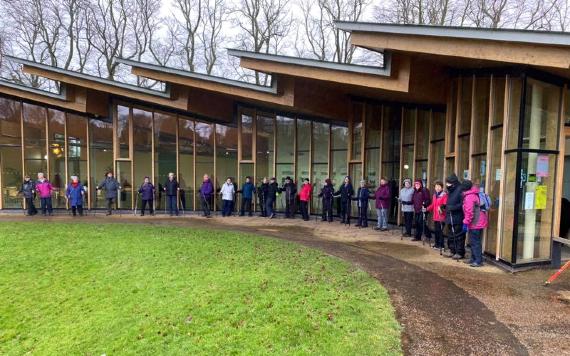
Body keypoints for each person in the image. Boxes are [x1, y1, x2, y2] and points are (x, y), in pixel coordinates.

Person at [462, 180, 489, 267]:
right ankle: (474, 258)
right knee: (474, 241)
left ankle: (478, 261)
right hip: (478, 221)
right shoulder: (473, 194)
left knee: (475, 242)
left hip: (475, 222)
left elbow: (469, 212)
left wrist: (465, 222)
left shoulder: (469, 197)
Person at [443, 174, 465, 259]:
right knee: (450, 234)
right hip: (450, 216)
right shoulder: (450, 190)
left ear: (453, 183)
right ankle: (452, 250)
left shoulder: (460, 190)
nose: (447, 185)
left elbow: (462, 204)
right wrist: (445, 206)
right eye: (447, 183)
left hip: (458, 216)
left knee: (458, 235)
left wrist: (453, 208)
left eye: (448, 183)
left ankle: (459, 252)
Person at [425, 181, 447, 249]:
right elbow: (433, 205)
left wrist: (441, 208)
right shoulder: (435, 195)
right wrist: (426, 209)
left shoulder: (444, 195)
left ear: (442, 187)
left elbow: (445, 205)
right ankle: (437, 244)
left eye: (439, 186)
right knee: (436, 231)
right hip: (435, 216)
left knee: (440, 231)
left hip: (441, 216)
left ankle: (441, 245)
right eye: (436, 186)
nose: (437, 188)